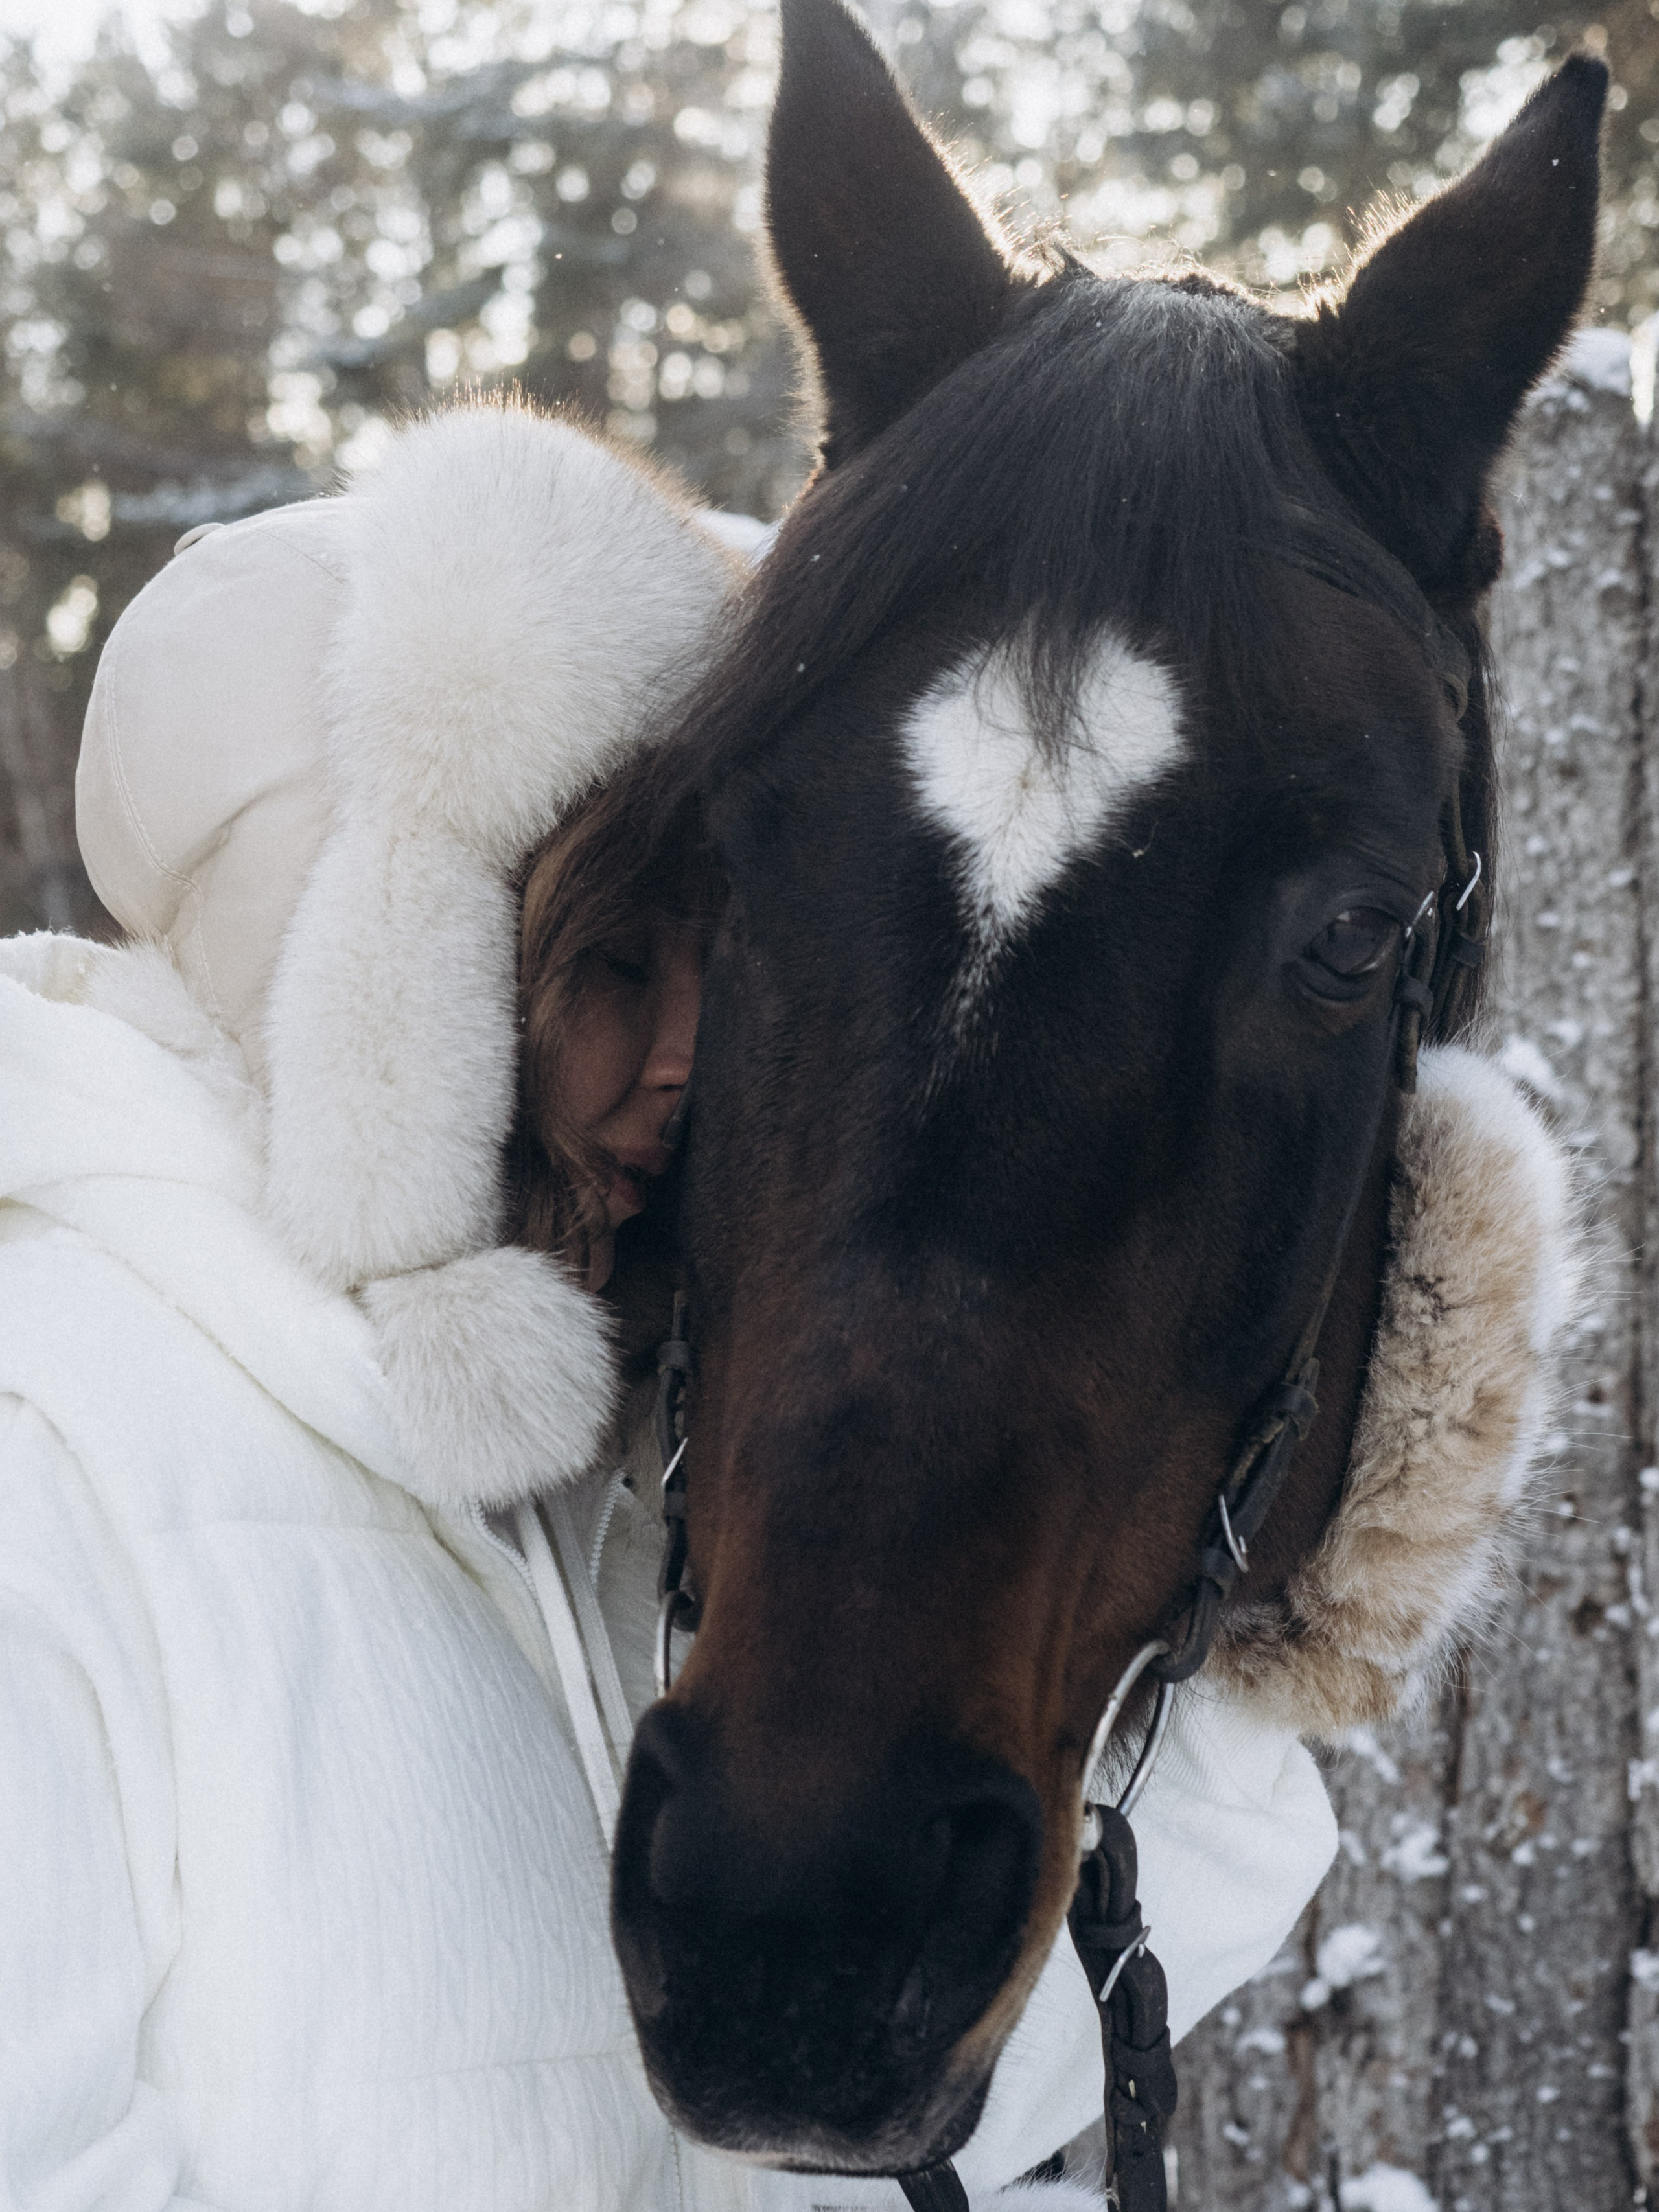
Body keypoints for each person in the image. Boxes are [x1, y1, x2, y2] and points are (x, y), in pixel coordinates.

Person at [6, 397, 1555, 2212]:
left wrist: (1315, 1509)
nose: (698, 1058)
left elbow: (869, 2104)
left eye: (733, 955)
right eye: (610, 961)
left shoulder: (597, 1472)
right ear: (382, 982)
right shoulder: (58, 1459)